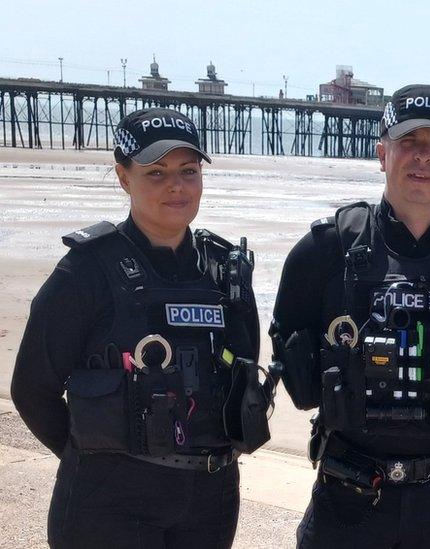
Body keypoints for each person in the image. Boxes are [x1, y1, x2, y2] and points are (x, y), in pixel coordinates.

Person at [271, 84, 430, 549]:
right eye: (408, 142)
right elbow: (290, 351)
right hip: (346, 494)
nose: (422, 156)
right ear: (382, 153)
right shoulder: (325, 250)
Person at [10, 107, 271, 549]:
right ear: (123, 176)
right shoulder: (87, 271)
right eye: (156, 172)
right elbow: (32, 389)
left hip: (209, 500)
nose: (177, 185)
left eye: (189, 171)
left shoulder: (224, 271)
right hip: (109, 502)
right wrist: (94, 456)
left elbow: (243, 371)